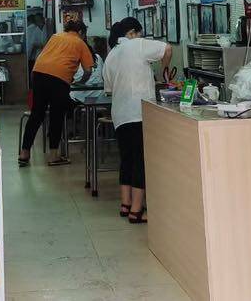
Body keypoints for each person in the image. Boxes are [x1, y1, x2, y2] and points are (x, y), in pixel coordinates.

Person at [103, 17, 171, 224]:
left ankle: (125, 204)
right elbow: (167, 49)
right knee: (141, 160)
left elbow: (109, 90)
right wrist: (163, 72)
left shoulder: (111, 55)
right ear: (133, 32)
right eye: (140, 33)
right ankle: (136, 210)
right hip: (138, 112)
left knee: (127, 159)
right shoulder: (137, 44)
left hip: (120, 114)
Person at [18, 21, 94, 167]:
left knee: (36, 114)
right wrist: (81, 82)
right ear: (80, 32)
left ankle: (24, 153)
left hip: (38, 73)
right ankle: (53, 156)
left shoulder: (55, 37)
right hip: (59, 78)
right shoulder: (80, 42)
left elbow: (45, 56)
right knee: (56, 116)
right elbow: (88, 70)